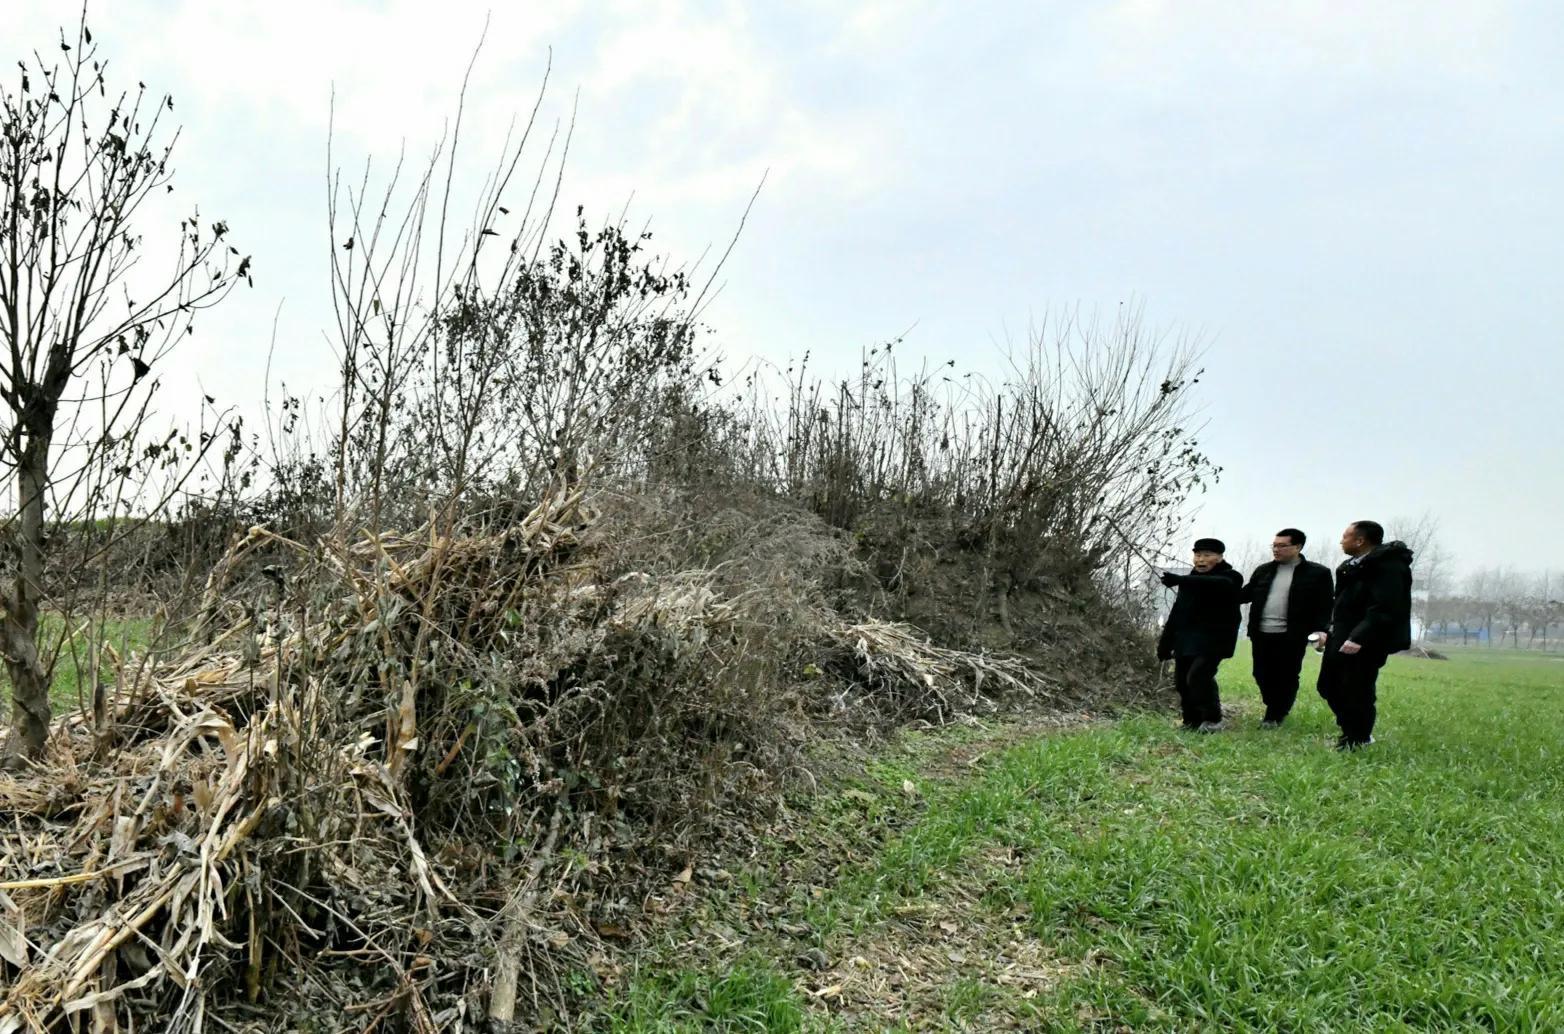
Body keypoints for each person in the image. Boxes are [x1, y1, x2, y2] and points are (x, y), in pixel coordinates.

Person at [1315, 520, 1413, 750]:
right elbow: (1340, 603)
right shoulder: (1350, 566)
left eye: (1345, 536)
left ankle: (1357, 738)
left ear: (1360, 540)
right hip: (1341, 634)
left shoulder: (1388, 566)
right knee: (1328, 686)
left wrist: (1358, 637)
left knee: (1357, 689)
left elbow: (1385, 607)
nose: (1341, 541)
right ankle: (1350, 729)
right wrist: (1329, 629)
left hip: (1367, 639)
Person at [1240, 528, 1334, 727]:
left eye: (1282, 546)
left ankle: (1274, 715)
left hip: (1293, 635)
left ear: (1298, 547)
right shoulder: (1263, 570)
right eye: (1274, 545)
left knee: (1287, 675)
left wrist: (1321, 629)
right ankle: (1275, 704)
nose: (1276, 549)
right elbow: (1245, 594)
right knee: (1261, 673)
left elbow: (1325, 605)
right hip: (1262, 632)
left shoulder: (1318, 573)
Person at [1157, 537, 1243, 731]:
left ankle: (1213, 720)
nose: (1201, 559)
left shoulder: (1231, 577)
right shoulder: (1190, 580)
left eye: (1207, 555)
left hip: (1214, 641)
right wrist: (1165, 643)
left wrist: (1180, 580)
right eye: (1197, 555)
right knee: (1181, 681)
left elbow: (1218, 584)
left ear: (1220, 557)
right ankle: (1191, 721)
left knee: (1198, 677)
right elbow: (1177, 613)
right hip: (1186, 640)